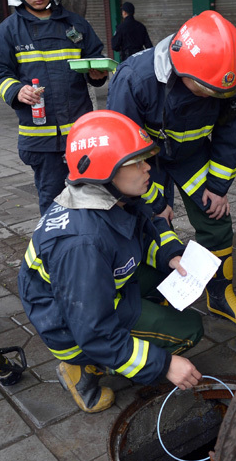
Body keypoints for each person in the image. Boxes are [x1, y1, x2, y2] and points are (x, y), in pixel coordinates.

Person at [18, 110, 204, 413]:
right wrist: (165, 364)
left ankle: (135, 332)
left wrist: (172, 257)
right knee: (191, 330)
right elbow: (93, 330)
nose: (148, 169)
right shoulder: (81, 243)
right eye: (137, 162)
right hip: (72, 326)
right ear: (106, 169)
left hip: (97, 293)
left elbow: (147, 227)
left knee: (170, 282)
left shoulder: (111, 196)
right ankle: (84, 369)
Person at [106, 10, 236, 328]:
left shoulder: (225, 75)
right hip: (145, 161)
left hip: (191, 156)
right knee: (152, 224)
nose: (212, 97)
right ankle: (162, 297)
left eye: (219, 93)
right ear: (180, 68)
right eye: (204, 89)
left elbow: (230, 131)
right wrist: (154, 202)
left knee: (216, 218)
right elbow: (123, 150)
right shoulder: (135, 79)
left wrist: (218, 186)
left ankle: (219, 296)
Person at [0, 0, 109, 215]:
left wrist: (98, 73)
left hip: (80, 135)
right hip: (41, 139)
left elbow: (93, 60)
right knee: (53, 204)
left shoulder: (75, 25)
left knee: (92, 196)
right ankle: (55, 253)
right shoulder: (8, 32)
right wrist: (16, 91)